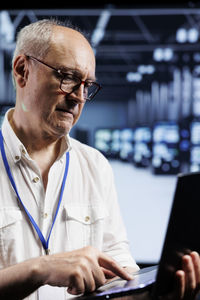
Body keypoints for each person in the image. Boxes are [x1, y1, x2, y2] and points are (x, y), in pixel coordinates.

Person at [0, 18, 199, 300]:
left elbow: (118, 265)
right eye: (67, 77)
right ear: (22, 70)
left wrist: (150, 293)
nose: (79, 97)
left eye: (87, 85)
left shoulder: (94, 165)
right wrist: (39, 269)